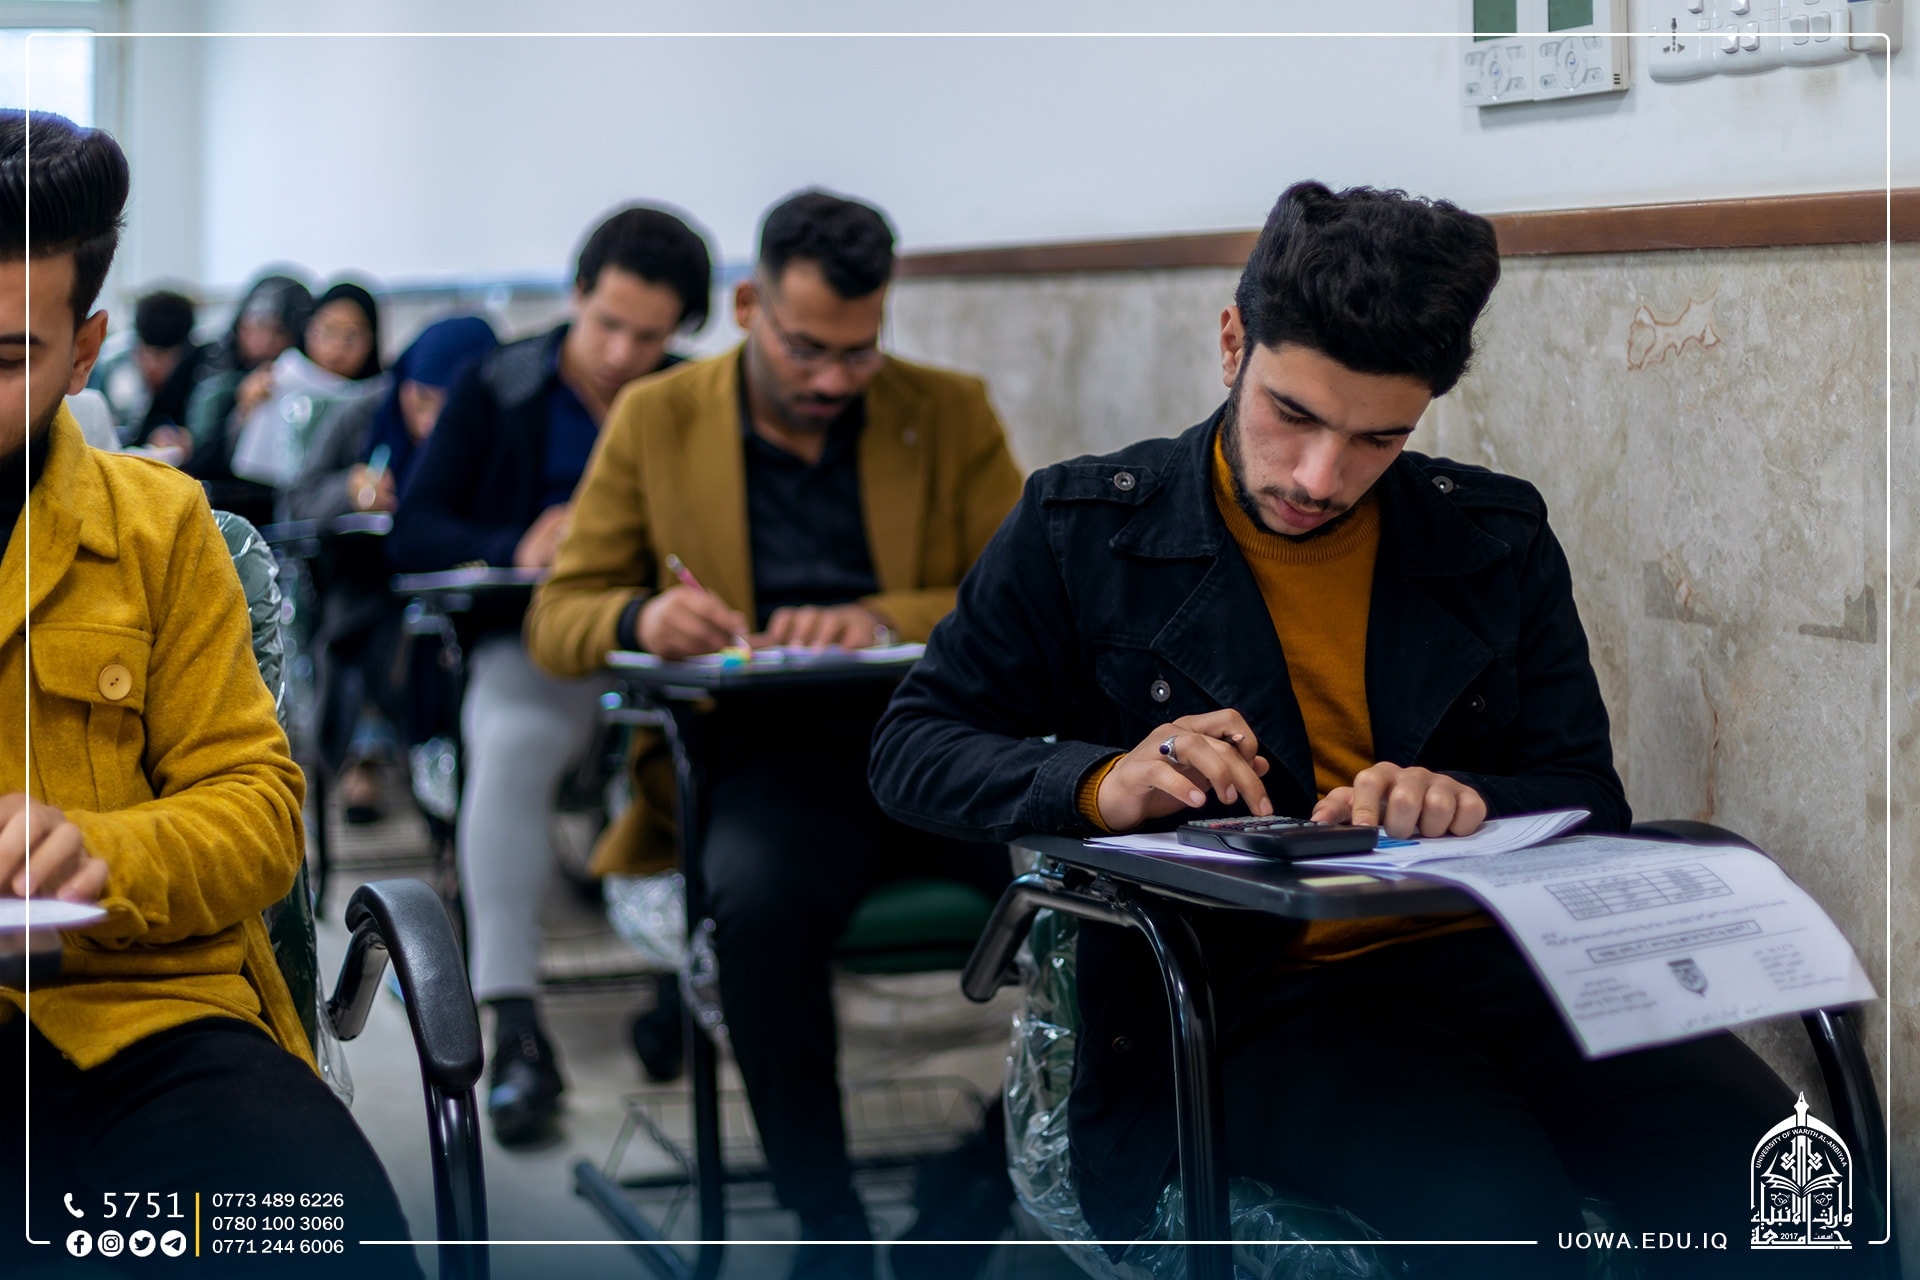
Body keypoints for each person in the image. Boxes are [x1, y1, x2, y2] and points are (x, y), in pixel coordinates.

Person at [869, 182, 1799, 1279]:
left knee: (1778, 1176)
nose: (1322, 477)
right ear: (1232, 343)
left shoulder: (1491, 536)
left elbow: (1585, 794)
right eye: (1294, 416)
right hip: (1253, 1001)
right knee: (1496, 1215)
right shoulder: (1085, 529)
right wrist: (1100, 781)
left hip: (1500, 968)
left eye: (1378, 438)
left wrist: (1470, 800)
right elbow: (912, 746)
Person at [525, 189, 1026, 1280]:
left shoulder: (947, 410)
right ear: (751, 306)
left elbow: (1024, 596)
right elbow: (558, 616)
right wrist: (641, 618)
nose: (834, 379)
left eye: (859, 350)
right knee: (755, 908)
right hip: (765, 761)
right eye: (807, 348)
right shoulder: (659, 418)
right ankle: (825, 1212)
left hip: (941, 747)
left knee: (1112, 900)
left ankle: (986, 1176)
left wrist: (880, 617)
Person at [0, 110, 418, 1276]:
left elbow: (255, 817)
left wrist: (95, 853)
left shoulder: (160, 532)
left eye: (4, 358)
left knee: (311, 1235)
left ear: (82, 355)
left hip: (139, 1021)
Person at [389, 204, 715, 1148]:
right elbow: (415, 531)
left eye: (649, 337)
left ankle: (689, 985)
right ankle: (514, 1024)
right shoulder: (500, 386)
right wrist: (513, 545)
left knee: (730, 754)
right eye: (607, 323)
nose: (621, 353)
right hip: (539, 641)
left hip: (670, 647)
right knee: (512, 744)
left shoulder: (696, 397)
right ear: (576, 294)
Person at [283, 315, 498, 821]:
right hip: (370, 587)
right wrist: (348, 490)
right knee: (376, 634)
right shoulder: (362, 416)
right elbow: (296, 504)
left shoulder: (501, 428)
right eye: (420, 399)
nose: (430, 421)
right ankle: (379, 752)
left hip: (471, 593)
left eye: (449, 406)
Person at [228, 279, 385, 496]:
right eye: (329, 330)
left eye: (352, 335)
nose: (337, 345)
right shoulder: (277, 378)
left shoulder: (381, 398)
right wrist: (244, 411)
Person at [183, 269, 313, 521]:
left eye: (278, 331)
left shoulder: (296, 375)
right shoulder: (207, 359)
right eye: (256, 324)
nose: (263, 339)